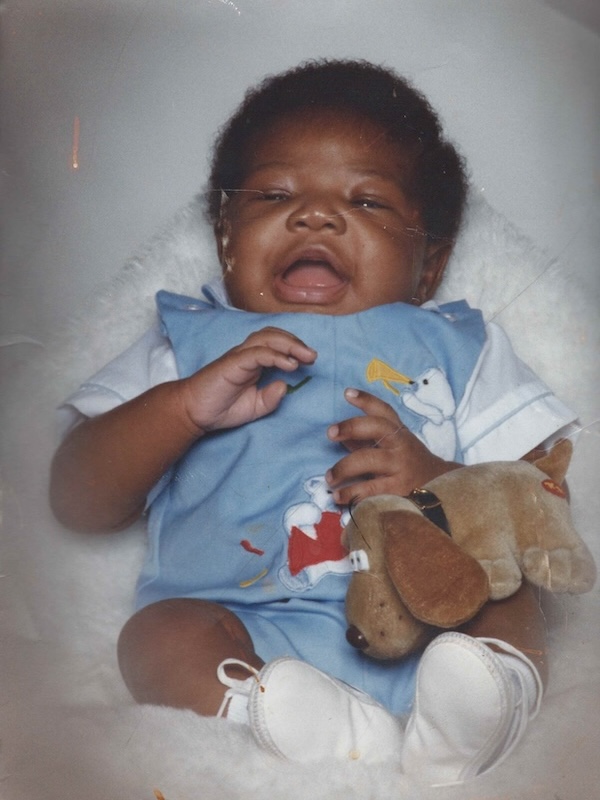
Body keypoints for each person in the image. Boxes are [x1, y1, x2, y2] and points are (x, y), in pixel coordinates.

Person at [49, 60, 576, 784]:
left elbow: (542, 506)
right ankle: (282, 720)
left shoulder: (459, 345)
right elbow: (77, 500)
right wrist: (182, 408)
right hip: (241, 629)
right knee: (154, 635)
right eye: (274, 194)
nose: (316, 215)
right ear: (225, 235)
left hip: (438, 628)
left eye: (367, 202)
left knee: (509, 595)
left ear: (429, 266)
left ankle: (484, 709)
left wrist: (438, 481)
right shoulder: (192, 341)